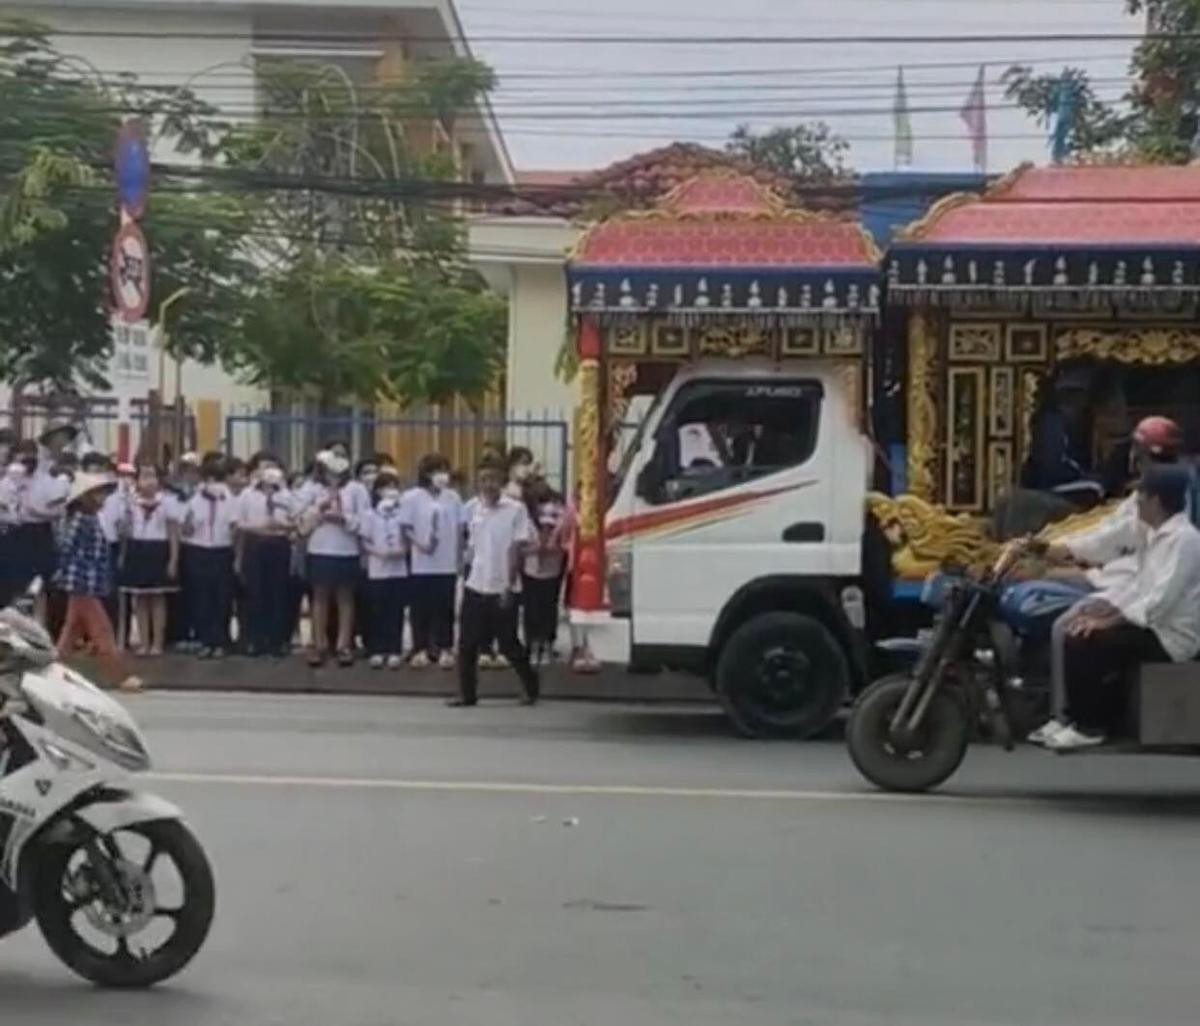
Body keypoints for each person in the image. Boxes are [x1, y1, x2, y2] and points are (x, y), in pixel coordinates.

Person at [1030, 415, 1185, 741]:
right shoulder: (1151, 523)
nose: (1137, 501)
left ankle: (1086, 724)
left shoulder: (1182, 539)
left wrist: (1108, 621)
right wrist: (1054, 548)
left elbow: (1158, 601)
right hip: (1142, 607)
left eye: (1143, 498)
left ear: (1156, 501)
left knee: (1080, 634)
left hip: (1170, 632)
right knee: (1083, 628)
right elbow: (1106, 538)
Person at [451, 455, 540, 708]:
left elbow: (516, 548)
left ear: (502, 481)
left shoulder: (515, 509)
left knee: (508, 642)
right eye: (483, 480)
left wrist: (509, 585)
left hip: (503, 584)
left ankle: (530, 686)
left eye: (493, 479)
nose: (488, 484)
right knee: (467, 643)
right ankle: (467, 694)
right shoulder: (472, 509)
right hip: (476, 582)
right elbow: (469, 543)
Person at [54, 472, 142, 693]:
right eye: (98, 494)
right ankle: (118, 675)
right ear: (87, 497)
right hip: (81, 582)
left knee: (71, 630)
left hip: (86, 583)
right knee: (101, 630)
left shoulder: (90, 519)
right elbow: (66, 547)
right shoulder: (80, 520)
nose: (103, 498)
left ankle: (52, 669)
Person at [299, 450, 366, 667]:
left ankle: (343, 644)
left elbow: (365, 519)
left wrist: (344, 519)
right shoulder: (313, 488)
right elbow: (300, 514)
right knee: (319, 597)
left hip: (346, 549)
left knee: (345, 597)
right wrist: (319, 510)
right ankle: (319, 644)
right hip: (320, 548)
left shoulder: (356, 489)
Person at [404, 453, 463, 670]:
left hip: (445, 562)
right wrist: (420, 544)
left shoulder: (453, 497)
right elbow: (406, 527)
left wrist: (458, 558)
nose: (441, 476)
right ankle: (420, 647)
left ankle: (445, 647)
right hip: (421, 562)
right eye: (436, 471)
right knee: (420, 607)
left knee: (444, 606)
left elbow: (459, 528)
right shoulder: (412, 497)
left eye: (444, 470)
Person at [235, 457, 295, 657]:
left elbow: (295, 521)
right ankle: (254, 639)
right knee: (254, 592)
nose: (269, 471)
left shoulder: (286, 495)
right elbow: (238, 522)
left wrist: (283, 526)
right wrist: (258, 527)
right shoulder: (247, 494)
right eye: (264, 467)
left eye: (273, 467)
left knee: (278, 593)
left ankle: (276, 641)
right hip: (255, 543)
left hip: (279, 544)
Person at [179, 454, 237, 658]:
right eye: (209, 479)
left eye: (217, 480)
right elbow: (186, 530)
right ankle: (205, 640)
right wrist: (187, 522)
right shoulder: (195, 499)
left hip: (221, 550)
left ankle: (221, 641)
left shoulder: (228, 498)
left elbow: (234, 526)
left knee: (221, 598)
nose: (213, 484)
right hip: (199, 549)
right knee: (201, 597)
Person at [120, 462, 180, 657]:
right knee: (139, 598)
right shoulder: (130, 502)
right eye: (144, 476)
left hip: (158, 549)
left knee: (157, 597)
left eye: (152, 476)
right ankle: (144, 642)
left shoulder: (168, 502)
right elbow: (125, 532)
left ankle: (157, 643)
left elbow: (173, 532)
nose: (148, 481)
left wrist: (173, 559)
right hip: (138, 548)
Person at [357, 470, 409, 669]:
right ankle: (378, 649)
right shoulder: (370, 514)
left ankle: (394, 649)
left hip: (398, 568)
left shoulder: (403, 513)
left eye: (394, 487)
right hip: (377, 569)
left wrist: (403, 549)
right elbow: (364, 540)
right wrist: (377, 551)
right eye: (385, 487)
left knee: (395, 611)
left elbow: (409, 535)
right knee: (377, 610)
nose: (390, 491)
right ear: (377, 491)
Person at [521, 479, 570, 665]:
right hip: (532, 566)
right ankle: (534, 644)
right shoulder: (525, 513)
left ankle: (546, 643)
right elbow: (520, 543)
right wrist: (536, 548)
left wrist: (553, 543)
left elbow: (563, 537)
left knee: (547, 606)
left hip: (551, 566)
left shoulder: (557, 509)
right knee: (533, 607)